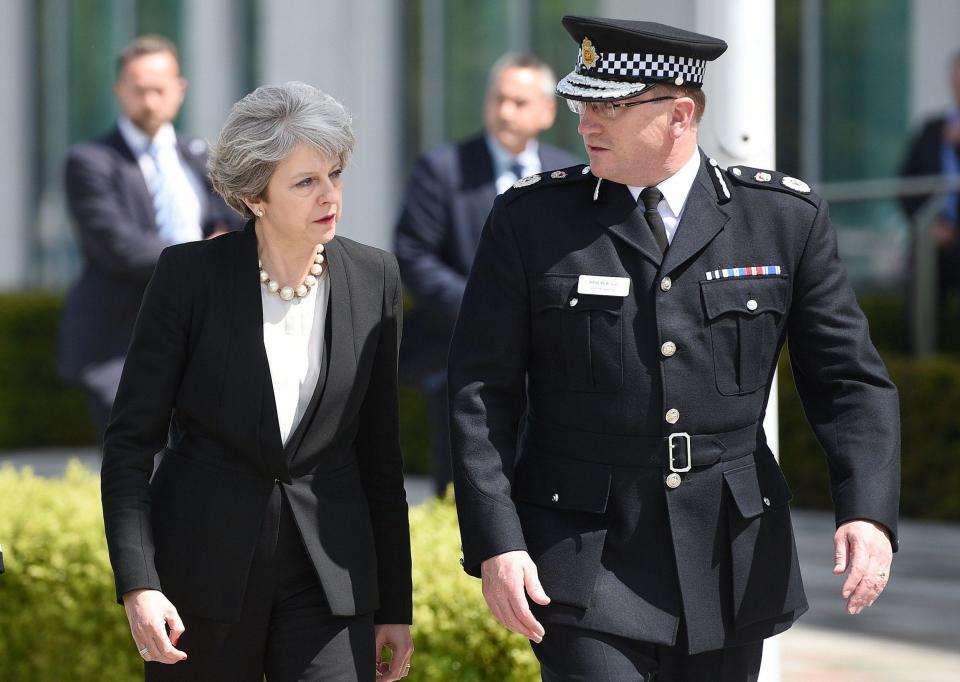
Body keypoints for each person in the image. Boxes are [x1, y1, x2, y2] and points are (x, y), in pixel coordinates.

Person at [449, 15, 900, 682]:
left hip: (729, 556)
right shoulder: (531, 221)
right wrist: (498, 542)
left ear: (679, 115)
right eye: (582, 103)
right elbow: (481, 393)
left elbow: (847, 381)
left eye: (609, 106)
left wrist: (867, 511)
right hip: (584, 557)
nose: (585, 123)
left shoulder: (780, 220)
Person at [101, 82, 413, 682]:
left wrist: (394, 606)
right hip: (202, 577)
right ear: (253, 196)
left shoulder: (375, 276)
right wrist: (139, 585)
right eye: (305, 182)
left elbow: (380, 455)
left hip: (330, 580)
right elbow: (130, 443)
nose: (331, 196)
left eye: (336, 174)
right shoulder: (188, 277)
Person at [394, 53, 579, 496]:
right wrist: (484, 312)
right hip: (459, 354)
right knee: (467, 492)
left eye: (519, 101)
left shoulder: (569, 173)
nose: (505, 111)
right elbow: (413, 253)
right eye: (498, 99)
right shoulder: (444, 169)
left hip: (551, 363)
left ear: (547, 112)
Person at [59, 35, 241, 443]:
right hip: (121, 347)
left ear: (180, 89)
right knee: (136, 481)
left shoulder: (202, 157)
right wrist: (203, 256)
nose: (149, 99)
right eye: (138, 89)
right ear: (118, 90)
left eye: (159, 88)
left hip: (200, 344)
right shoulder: (91, 161)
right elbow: (117, 244)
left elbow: (235, 222)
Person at [901, 50, 960, 309]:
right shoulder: (932, 128)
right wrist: (929, 224)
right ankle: (916, 349)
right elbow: (906, 184)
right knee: (921, 301)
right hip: (934, 235)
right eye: (955, 73)